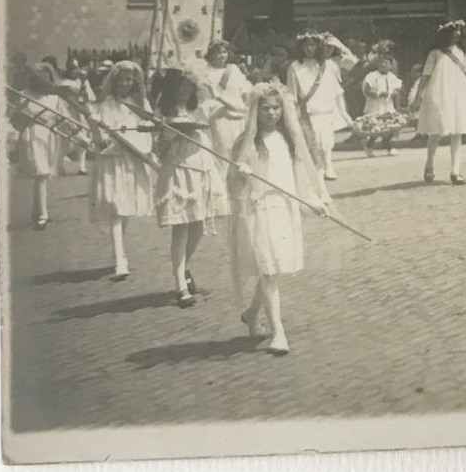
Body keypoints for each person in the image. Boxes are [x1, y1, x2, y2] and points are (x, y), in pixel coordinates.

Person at [228, 82, 332, 356]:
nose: (272, 113)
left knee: (273, 269)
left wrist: (313, 202)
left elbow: (299, 179)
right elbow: (234, 185)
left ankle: (252, 313)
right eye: (265, 109)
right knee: (269, 271)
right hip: (259, 211)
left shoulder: (288, 140)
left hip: (283, 210)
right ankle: (279, 333)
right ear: (255, 111)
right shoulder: (247, 142)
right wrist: (241, 171)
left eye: (276, 108)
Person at [152, 69, 229, 308]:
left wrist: (214, 90)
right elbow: (160, 153)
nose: (185, 91)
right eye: (181, 86)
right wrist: (168, 134)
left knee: (198, 226)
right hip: (178, 170)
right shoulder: (162, 113)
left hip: (203, 169)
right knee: (181, 228)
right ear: (172, 89)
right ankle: (180, 287)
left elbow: (235, 110)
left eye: (189, 86)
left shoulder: (202, 108)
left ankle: (184, 267)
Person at [87, 60, 156, 281]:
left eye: (129, 79)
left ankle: (119, 250)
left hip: (133, 158)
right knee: (116, 208)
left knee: (124, 208)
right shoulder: (106, 105)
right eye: (121, 79)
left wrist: (142, 132)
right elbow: (100, 141)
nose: (125, 83)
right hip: (113, 160)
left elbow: (149, 127)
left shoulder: (140, 103)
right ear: (114, 81)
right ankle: (119, 260)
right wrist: (94, 127)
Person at [410, 19, 466, 184]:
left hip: (458, 93)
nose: (457, 36)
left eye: (459, 33)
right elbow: (426, 76)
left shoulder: (463, 51)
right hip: (439, 92)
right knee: (436, 130)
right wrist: (418, 96)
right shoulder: (435, 53)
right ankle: (429, 165)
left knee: (457, 131)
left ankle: (455, 171)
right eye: (454, 33)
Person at [12, 61, 76, 230]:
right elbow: (16, 121)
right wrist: (27, 115)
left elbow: (66, 119)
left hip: (51, 137)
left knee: (44, 175)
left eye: (45, 77)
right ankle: (42, 216)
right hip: (32, 135)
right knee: (41, 173)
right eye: (37, 77)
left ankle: (36, 211)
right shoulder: (25, 94)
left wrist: (81, 134)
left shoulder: (54, 98)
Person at [286, 30, 356, 181]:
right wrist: (291, 113)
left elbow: (350, 64)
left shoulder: (329, 65)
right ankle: (316, 169)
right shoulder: (295, 67)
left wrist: (336, 43)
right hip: (307, 112)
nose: (309, 48)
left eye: (312, 45)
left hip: (326, 111)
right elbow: (292, 93)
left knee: (326, 143)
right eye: (306, 46)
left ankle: (328, 166)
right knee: (312, 143)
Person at [199, 40, 252, 158]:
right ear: (211, 54)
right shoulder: (204, 72)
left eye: (224, 52)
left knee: (236, 146)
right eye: (218, 52)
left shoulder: (233, 69)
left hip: (235, 112)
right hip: (216, 113)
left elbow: (245, 91)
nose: (222, 55)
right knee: (220, 148)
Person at [357, 55, 406, 156]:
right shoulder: (371, 76)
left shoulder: (392, 76)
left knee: (389, 127)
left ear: (390, 65)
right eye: (381, 62)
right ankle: (375, 146)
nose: (383, 64)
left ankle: (383, 146)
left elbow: (398, 87)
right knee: (376, 128)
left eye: (386, 63)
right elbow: (366, 89)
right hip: (375, 106)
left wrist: (395, 92)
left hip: (388, 106)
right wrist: (378, 94)